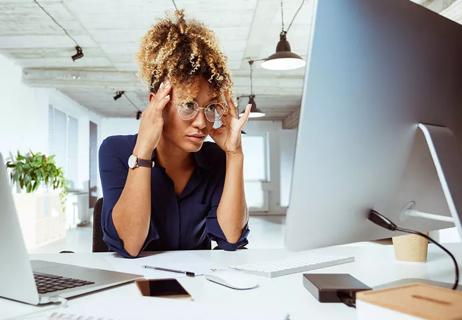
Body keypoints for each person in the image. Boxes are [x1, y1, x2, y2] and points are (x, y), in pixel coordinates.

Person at [99, 10, 252, 258]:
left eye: (210, 107)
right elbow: (130, 244)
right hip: (133, 288)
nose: (202, 123)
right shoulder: (116, 151)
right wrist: (143, 151)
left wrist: (234, 155)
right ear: (157, 104)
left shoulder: (215, 158)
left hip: (198, 286)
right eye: (189, 105)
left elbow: (231, 239)